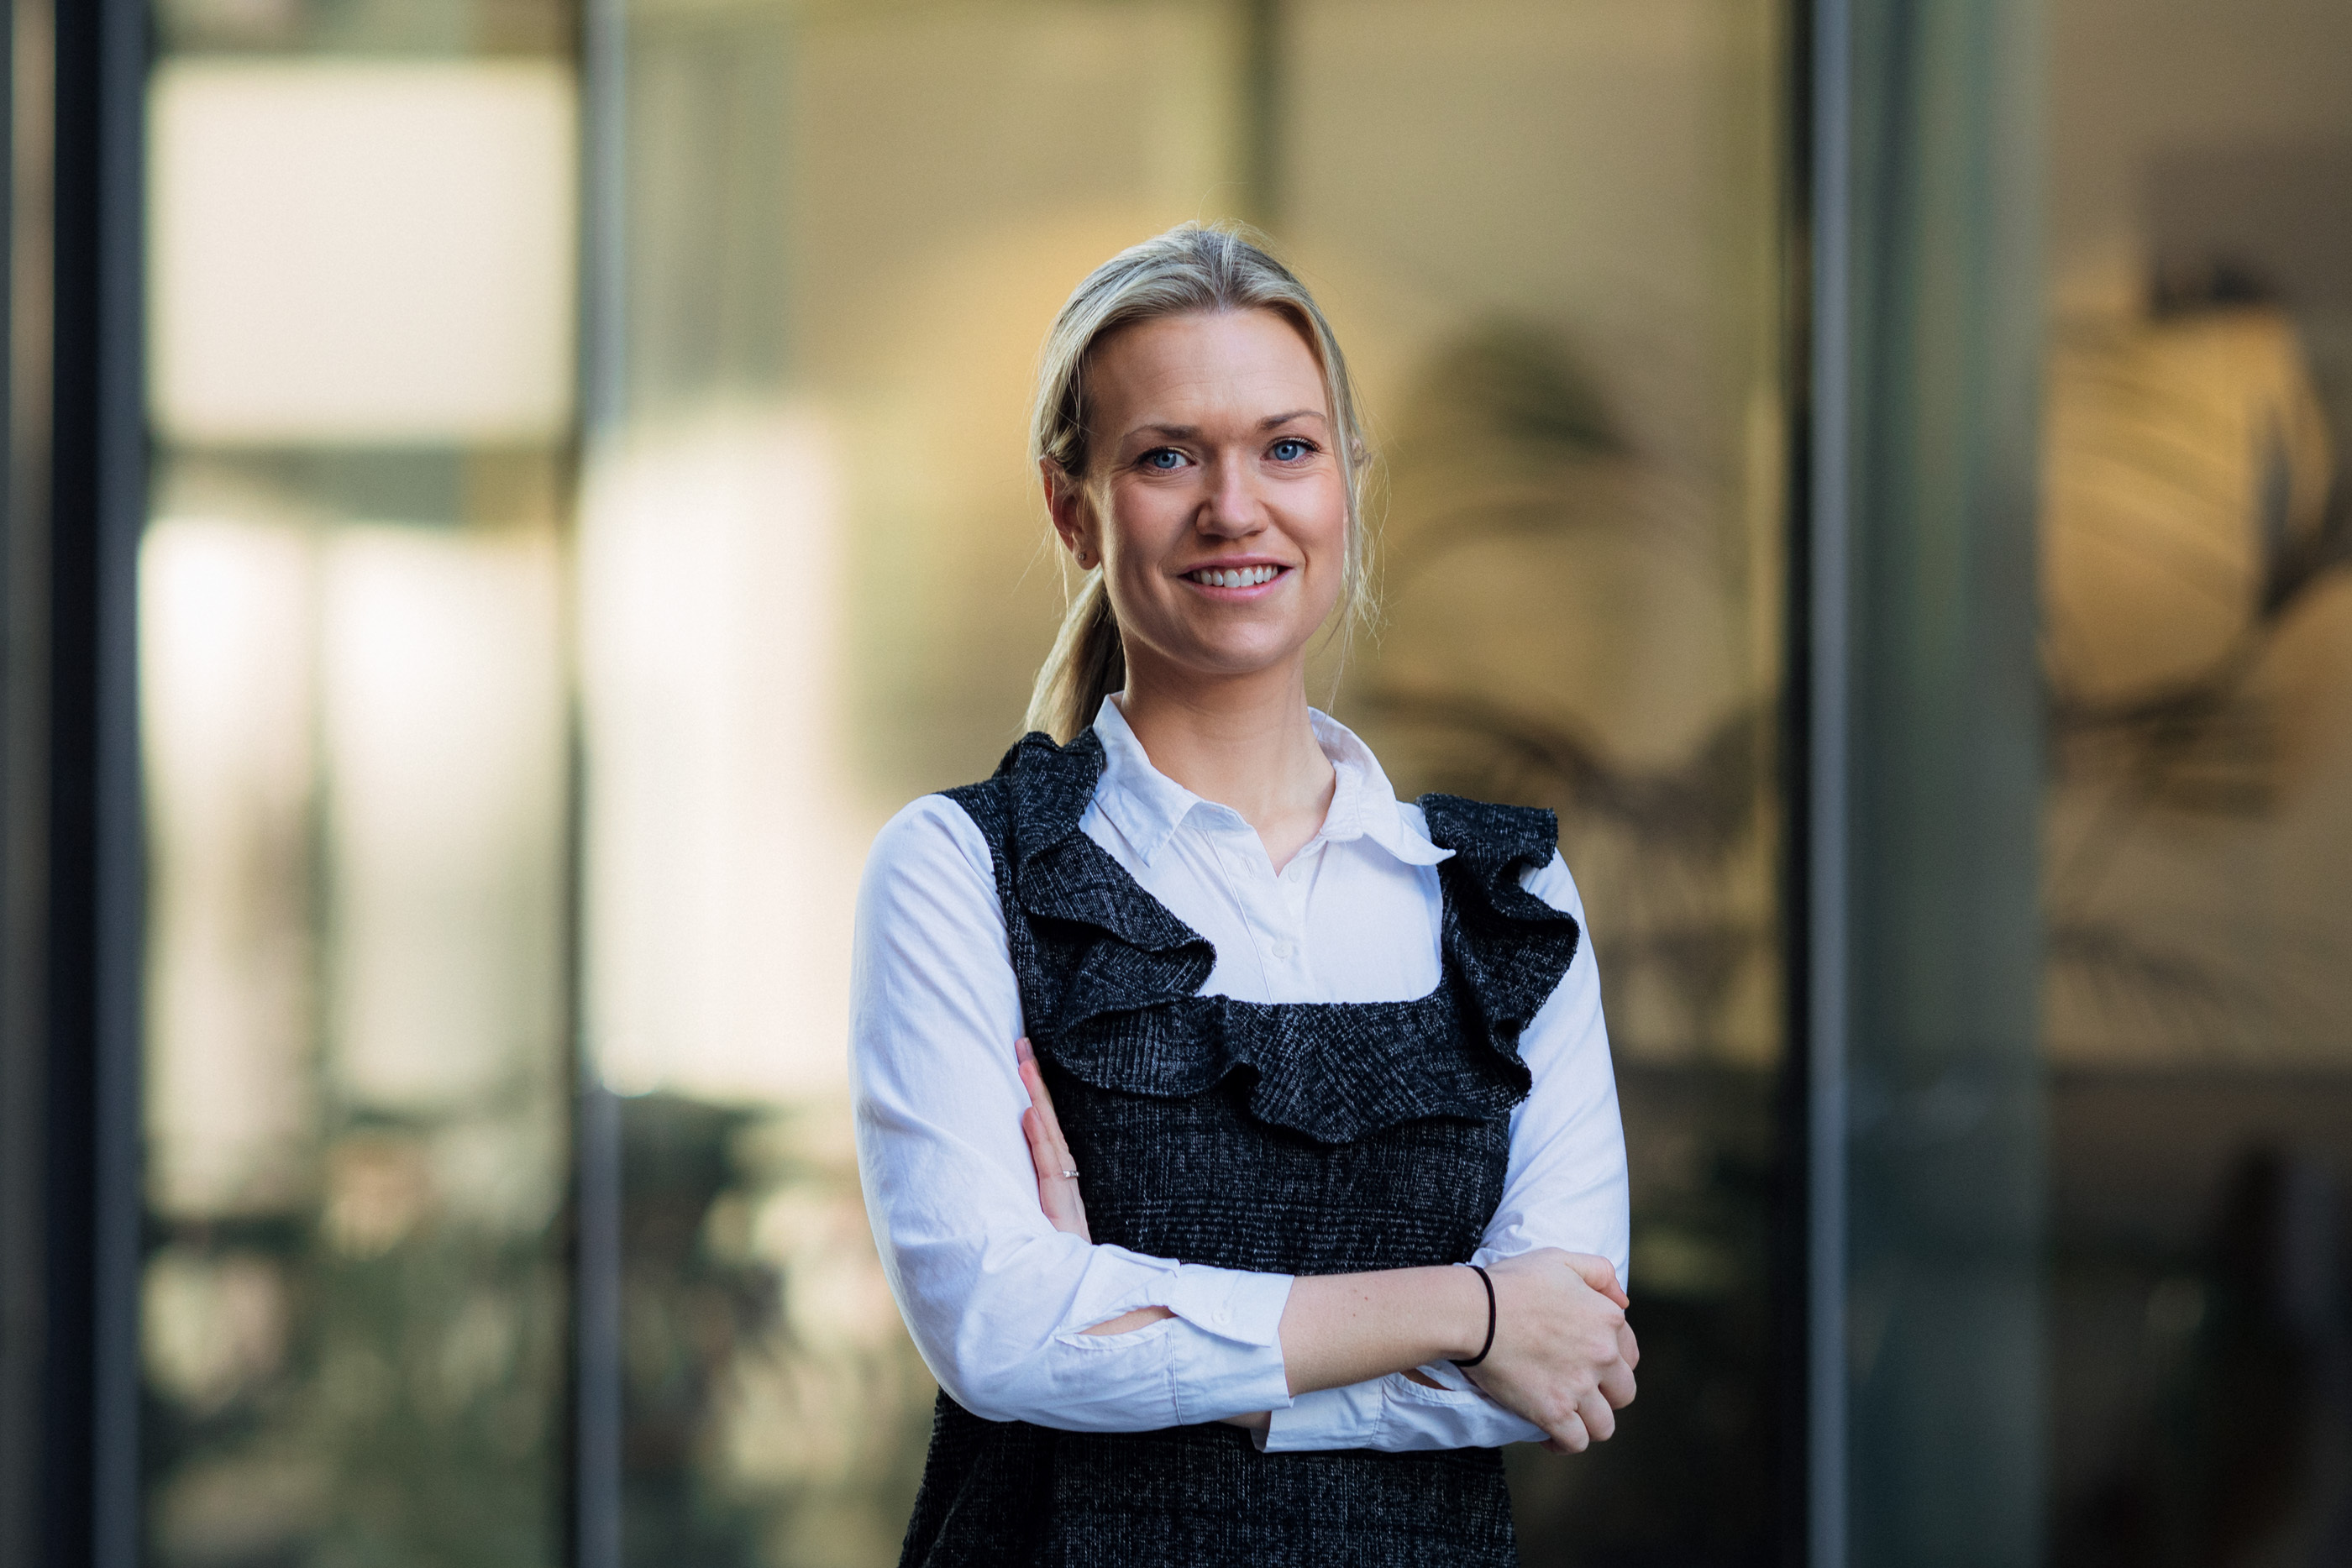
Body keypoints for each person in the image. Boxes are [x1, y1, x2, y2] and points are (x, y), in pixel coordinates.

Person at [851, 222, 1636, 1567]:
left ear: (1345, 485)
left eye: (1287, 447)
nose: (1236, 505)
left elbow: (1571, 1355)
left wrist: (1138, 1344)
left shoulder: (1503, 899)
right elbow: (1001, 1330)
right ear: (1071, 505)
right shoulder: (960, 869)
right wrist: (1469, 1308)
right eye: (1167, 455)